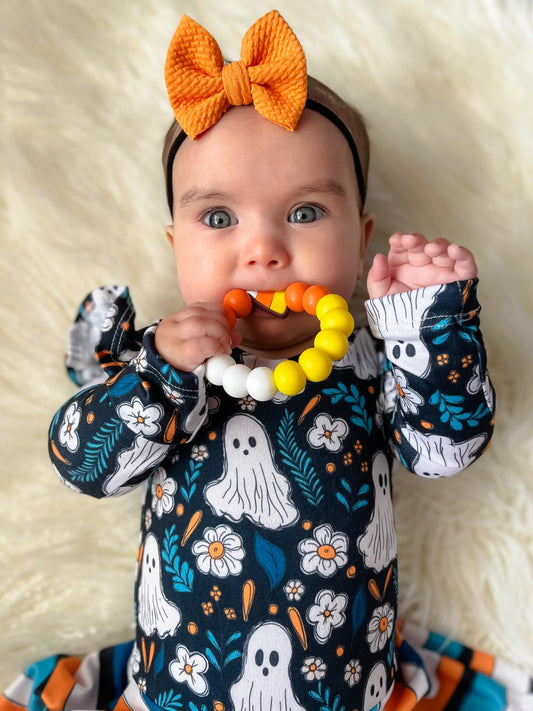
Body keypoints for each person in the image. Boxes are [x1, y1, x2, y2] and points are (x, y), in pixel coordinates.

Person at [8, 10, 528, 711]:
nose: (263, 250)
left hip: (351, 689)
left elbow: (444, 449)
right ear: (174, 244)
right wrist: (158, 374)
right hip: (177, 688)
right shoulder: (167, 356)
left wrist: (430, 330)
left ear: (360, 236)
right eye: (218, 218)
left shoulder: (372, 353)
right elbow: (83, 465)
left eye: (306, 212)